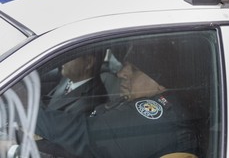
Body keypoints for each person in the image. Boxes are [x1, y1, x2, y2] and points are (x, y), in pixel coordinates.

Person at [36, 42, 198, 158]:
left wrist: (29, 115)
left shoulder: (160, 115)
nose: (121, 74)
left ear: (160, 85)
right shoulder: (151, 104)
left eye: (134, 70)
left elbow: (89, 135)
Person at [42, 54, 107, 115]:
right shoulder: (68, 78)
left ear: (88, 63)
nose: (63, 59)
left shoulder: (89, 103)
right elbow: (51, 100)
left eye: (69, 55)